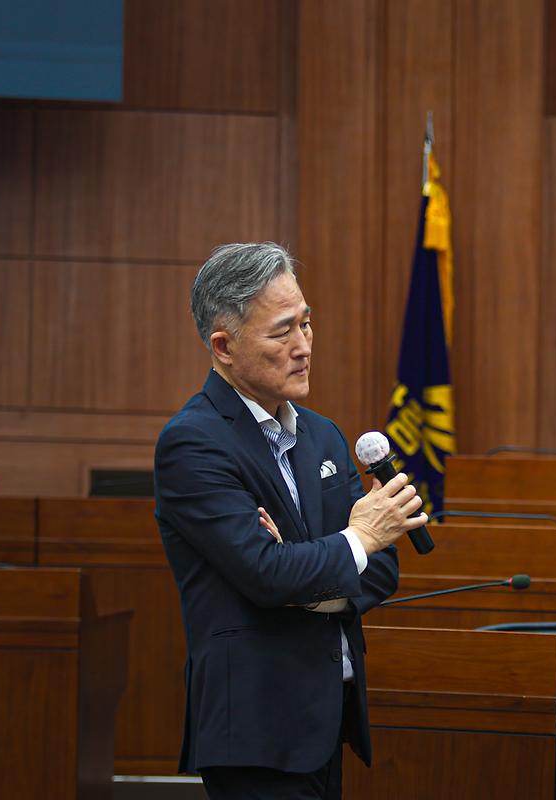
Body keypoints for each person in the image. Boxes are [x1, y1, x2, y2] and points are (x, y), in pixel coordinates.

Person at [154, 242, 427, 799]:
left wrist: (306, 577)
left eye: (306, 324)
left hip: (328, 716)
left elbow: (381, 572)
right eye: (282, 333)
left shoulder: (322, 435)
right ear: (224, 347)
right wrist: (354, 539)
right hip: (256, 727)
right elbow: (267, 572)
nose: (304, 346)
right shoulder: (194, 442)